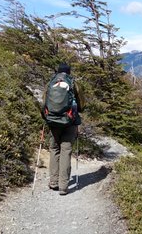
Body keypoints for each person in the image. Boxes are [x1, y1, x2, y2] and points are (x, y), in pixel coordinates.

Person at [46, 63, 84, 195]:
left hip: (53, 121)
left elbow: (44, 101)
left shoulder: (51, 82)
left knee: (54, 149)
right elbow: (81, 104)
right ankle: (63, 186)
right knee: (66, 151)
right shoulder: (72, 83)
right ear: (69, 72)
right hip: (69, 121)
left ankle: (53, 182)